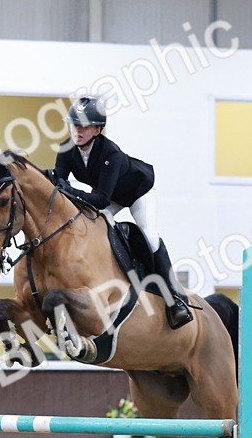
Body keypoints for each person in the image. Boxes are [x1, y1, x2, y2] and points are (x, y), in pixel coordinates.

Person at [52, 96, 193, 329]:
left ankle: (176, 299)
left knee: (149, 236)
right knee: (93, 227)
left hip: (137, 192)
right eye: (74, 124)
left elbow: (100, 199)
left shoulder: (111, 153)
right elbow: (59, 181)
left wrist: (70, 190)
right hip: (109, 196)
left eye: (84, 126)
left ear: (97, 129)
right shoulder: (67, 149)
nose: (78, 130)